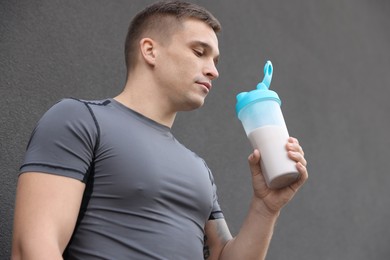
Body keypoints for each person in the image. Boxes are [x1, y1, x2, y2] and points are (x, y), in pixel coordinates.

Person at [11, 1, 308, 259]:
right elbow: (33, 248)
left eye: (215, 61)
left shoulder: (198, 168)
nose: (213, 70)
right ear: (150, 51)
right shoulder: (79, 120)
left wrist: (266, 207)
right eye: (199, 51)